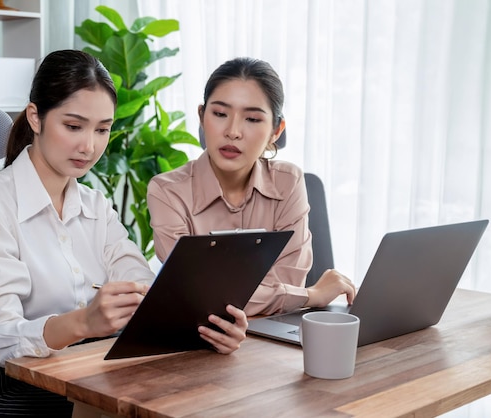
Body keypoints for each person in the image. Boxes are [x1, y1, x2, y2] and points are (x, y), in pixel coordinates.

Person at [0, 50, 248, 418]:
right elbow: (2, 338)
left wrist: (207, 327)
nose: (89, 146)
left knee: (194, 394)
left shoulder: (95, 205)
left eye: (102, 129)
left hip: (78, 369)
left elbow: (143, 288)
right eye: (74, 126)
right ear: (36, 117)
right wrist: (83, 323)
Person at [147, 57, 356, 317]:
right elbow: (200, 294)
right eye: (220, 114)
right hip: (201, 341)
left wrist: (273, 294)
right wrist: (310, 296)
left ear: (276, 130)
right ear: (202, 116)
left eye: (253, 119)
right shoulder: (168, 192)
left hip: (272, 339)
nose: (233, 131)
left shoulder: (288, 182)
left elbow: (289, 283)